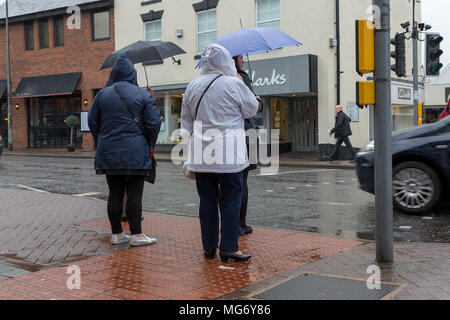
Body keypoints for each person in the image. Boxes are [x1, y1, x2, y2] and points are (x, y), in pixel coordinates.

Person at [181, 44, 259, 262]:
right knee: (230, 200)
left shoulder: (192, 86)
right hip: (229, 155)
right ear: (226, 60)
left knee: (207, 199)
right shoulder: (235, 83)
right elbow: (251, 110)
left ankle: (208, 247)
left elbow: (186, 124)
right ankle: (229, 248)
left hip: (202, 154)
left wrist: (188, 155)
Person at [88, 56, 161, 247]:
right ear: (132, 74)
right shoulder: (143, 95)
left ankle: (117, 234)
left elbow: (92, 123)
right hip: (135, 152)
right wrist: (148, 142)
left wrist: (102, 139)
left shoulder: (102, 95)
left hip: (108, 152)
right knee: (134, 193)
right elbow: (154, 123)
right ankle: (136, 235)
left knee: (115, 193)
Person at [232, 54, 263, 236]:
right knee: (242, 181)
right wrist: (258, 101)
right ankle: (241, 224)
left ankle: (230, 222)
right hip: (246, 134)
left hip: (225, 137)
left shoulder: (220, 78)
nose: (243, 60)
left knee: (228, 183)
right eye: (240, 57)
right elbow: (250, 108)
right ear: (233, 60)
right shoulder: (241, 77)